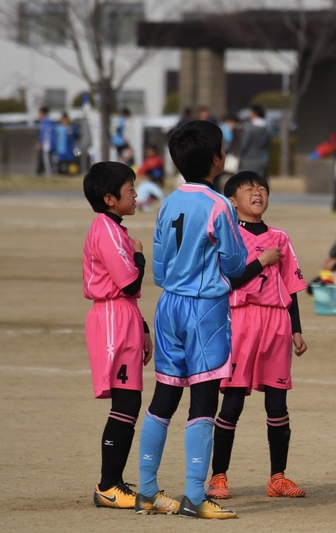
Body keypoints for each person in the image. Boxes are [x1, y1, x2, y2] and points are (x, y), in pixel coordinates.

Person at [136, 120, 247, 520]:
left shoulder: (168, 202)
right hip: (205, 311)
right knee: (203, 401)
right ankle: (195, 496)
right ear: (217, 159)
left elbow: (161, 270)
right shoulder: (220, 206)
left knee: (164, 397)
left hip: (169, 306)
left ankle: (147, 489)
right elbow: (236, 262)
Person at [207, 171, 308, 501]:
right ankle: (218, 477)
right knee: (232, 401)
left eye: (262, 188)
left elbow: (290, 287)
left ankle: (277, 477)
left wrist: (296, 329)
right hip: (241, 322)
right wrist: (260, 261)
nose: (258, 193)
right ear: (232, 201)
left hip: (276, 323)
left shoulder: (280, 237)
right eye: (249, 189)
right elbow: (227, 282)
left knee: (278, 404)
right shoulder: (228, 236)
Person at [82, 162, 152, 510]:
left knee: (130, 402)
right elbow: (130, 282)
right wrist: (140, 254)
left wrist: (142, 327)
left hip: (124, 315)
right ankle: (108, 484)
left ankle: (115, 480)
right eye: (130, 190)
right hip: (111, 318)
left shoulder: (115, 228)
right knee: (125, 402)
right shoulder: (107, 230)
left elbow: (129, 291)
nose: (136, 195)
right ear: (110, 198)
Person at [239, 105, 272, 179]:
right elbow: (268, 145)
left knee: (245, 181)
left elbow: (244, 144)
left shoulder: (249, 128)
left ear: (254, 113)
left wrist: (239, 154)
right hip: (261, 159)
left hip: (248, 159)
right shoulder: (267, 128)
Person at [136, 145, 166, 211]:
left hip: (157, 179)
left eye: (149, 151)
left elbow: (161, 170)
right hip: (152, 180)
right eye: (147, 151)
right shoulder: (147, 161)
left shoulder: (158, 159)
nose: (148, 152)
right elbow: (142, 171)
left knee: (155, 194)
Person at [36, 107, 55, 176]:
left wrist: (41, 142)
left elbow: (45, 134)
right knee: (45, 159)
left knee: (47, 159)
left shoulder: (46, 122)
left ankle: (49, 174)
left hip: (47, 144)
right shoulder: (45, 122)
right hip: (46, 143)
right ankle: (45, 173)